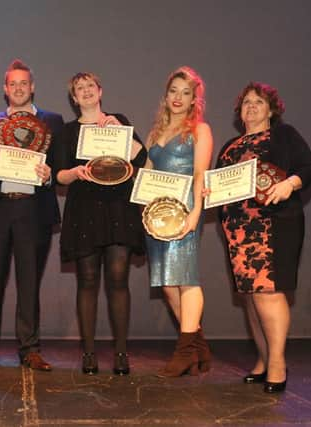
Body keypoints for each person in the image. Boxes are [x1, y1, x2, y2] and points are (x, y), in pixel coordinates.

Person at [0, 59, 63, 372]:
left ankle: (29, 349)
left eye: (24, 83)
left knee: (29, 284)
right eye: (12, 84)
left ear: (32, 87)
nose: (18, 88)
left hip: (33, 211)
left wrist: (49, 174)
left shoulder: (53, 121)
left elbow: (60, 167)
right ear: (5, 89)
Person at [215, 82, 311, 393]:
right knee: (250, 296)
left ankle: (278, 364)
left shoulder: (283, 135)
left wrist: (290, 184)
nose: (251, 107)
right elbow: (218, 186)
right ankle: (264, 358)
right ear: (239, 112)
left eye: (258, 102)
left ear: (271, 109)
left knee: (268, 292)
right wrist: (210, 192)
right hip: (239, 230)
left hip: (274, 225)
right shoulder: (230, 145)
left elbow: (308, 166)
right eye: (246, 103)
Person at [55, 72, 147, 375]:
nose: (85, 92)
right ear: (73, 98)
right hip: (84, 208)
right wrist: (75, 173)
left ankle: (121, 353)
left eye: (89, 87)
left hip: (118, 206)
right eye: (79, 89)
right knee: (88, 281)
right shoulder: (68, 131)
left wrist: (124, 131)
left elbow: (141, 158)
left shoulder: (118, 120)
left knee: (119, 280)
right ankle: (89, 353)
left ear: (100, 91)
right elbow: (59, 174)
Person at [144, 66, 213, 377]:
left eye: (186, 92)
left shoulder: (201, 130)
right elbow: (146, 174)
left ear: (194, 99)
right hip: (156, 215)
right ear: (166, 94)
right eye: (174, 90)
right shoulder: (155, 132)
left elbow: (200, 174)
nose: (178, 97)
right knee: (168, 283)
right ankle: (199, 348)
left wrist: (196, 212)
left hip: (185, 209)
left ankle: (184, 352)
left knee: (187, 278)